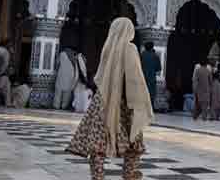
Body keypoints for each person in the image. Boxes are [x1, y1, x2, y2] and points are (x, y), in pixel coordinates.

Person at [67, 18, 154, 180]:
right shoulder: (130, 48)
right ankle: (130, 174)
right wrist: (140, 102)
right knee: (133, 141)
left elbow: (100, 76)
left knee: (98, 142)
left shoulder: (108, 47)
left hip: (103, 99)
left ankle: (98, 176)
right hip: (123, 100)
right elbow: (134, 79)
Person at [140, 42, 161, 107]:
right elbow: (158, 68)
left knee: (142, 93)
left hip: (142, 77)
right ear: (152, 47)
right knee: (151, 94)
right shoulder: (155, 56)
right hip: (151, 78)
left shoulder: (142, 55)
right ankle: (150, 108)